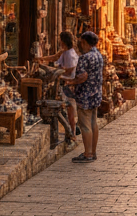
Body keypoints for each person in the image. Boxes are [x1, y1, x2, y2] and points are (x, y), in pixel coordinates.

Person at [70, 31, 104, 163]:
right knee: (93, 123)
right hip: (96, 94)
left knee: (85, 125)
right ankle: (93, 151)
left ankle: (88, 153)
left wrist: (71, 82)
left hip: (85, 95)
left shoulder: (85, 57)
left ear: (84, 42)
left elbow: (83, 76)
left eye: (81, 42)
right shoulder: (98, 55)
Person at [39, 31, 78, 138]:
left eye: (60, 40)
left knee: (69, 111)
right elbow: (55, 57)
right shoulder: (64, 51)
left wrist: (57, 72)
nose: (59, 41)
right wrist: (41, 59)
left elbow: (70, 70)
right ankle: (69, 132)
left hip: (68, 84)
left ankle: (72, 133)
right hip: (63, 82)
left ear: (64, 41)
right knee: (65, 109)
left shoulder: (70, 54)